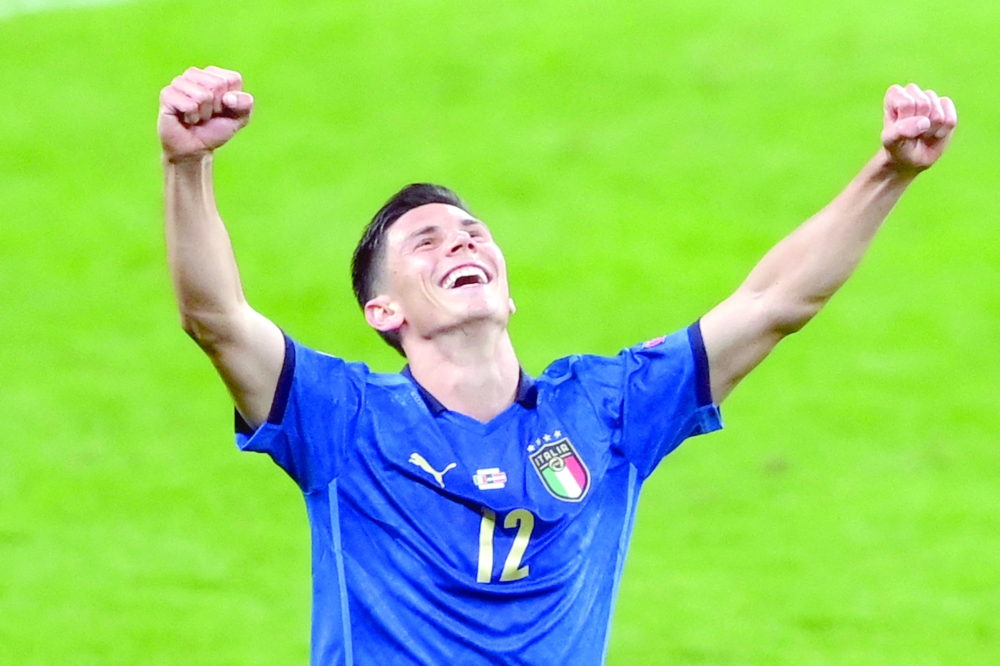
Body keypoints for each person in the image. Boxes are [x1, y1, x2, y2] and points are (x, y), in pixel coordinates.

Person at [158, 66, 957, 665]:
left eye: (472, 232)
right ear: (384, 314)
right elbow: (215, 318)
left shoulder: (605, 409)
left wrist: (889, 172)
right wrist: (187, 166)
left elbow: (773, 303)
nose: (462, 242)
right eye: (427, 242)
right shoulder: (342, 420)